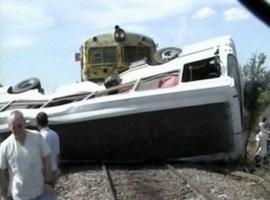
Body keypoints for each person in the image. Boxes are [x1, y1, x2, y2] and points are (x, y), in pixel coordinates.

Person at [0, 110, 57, 200]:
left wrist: (48, 182)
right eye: (14, 127)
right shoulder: (5, 146)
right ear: (9, 127)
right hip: (20, 196)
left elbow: (47, 158)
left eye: (20, 126)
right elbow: (2, 172)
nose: (17, 129)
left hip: (42, 191)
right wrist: (4, 195)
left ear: (25, 123)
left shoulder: (37, 136)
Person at [36, 112, 60, 186]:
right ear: (47, 121)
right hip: (54, 169)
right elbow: (58, 154)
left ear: (37, 123)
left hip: (45, 172)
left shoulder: (40, 137)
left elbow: (40, 156)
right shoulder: (55, 134)